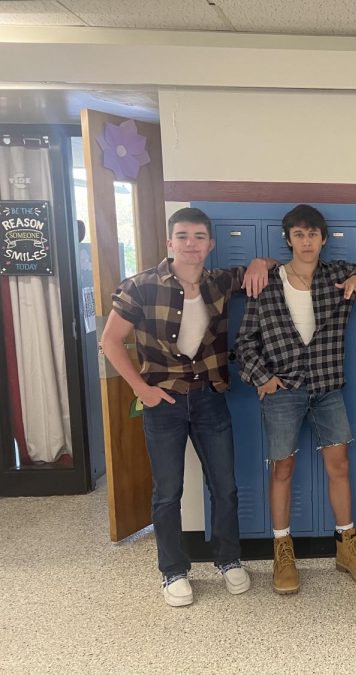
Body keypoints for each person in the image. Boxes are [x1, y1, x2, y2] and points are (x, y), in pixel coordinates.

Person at [100, 207, 273, 607]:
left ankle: (229, 560)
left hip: (211, 398)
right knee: (168, 492)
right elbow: (110, 342)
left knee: (225, 487)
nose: (191, 244)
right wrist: (141, 389)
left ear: (210, 244)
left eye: (198, 237)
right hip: (165, 402)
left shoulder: (220, 282)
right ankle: (173, 571)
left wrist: (261, 261)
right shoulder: (140, 286)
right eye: (182, 236)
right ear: (169, 242)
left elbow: (264, 267)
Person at [235, 204, 356, 594]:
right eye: (299, 234)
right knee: (283, 470)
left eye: (313, 234)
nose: (306, 242)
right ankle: (282, 550)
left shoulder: (337, 275)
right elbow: (245, 342)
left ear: (324, 239)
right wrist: (263, 378)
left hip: (327, 389)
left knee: (338, 465)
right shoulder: (267, 282)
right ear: (287, 239)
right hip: (283, 392)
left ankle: (347, 546)